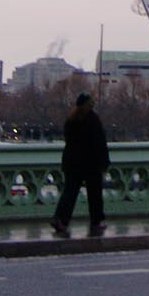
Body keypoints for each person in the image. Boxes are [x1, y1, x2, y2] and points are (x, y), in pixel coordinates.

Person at [51, 91, 109, 238]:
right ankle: (97, 221)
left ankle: (60, 219)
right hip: (91, 162)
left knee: (69, 193)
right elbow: (100, 142)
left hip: (72, 162)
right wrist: (104, 162)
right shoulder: (93, 119)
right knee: (94, 193)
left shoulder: (70, 120)